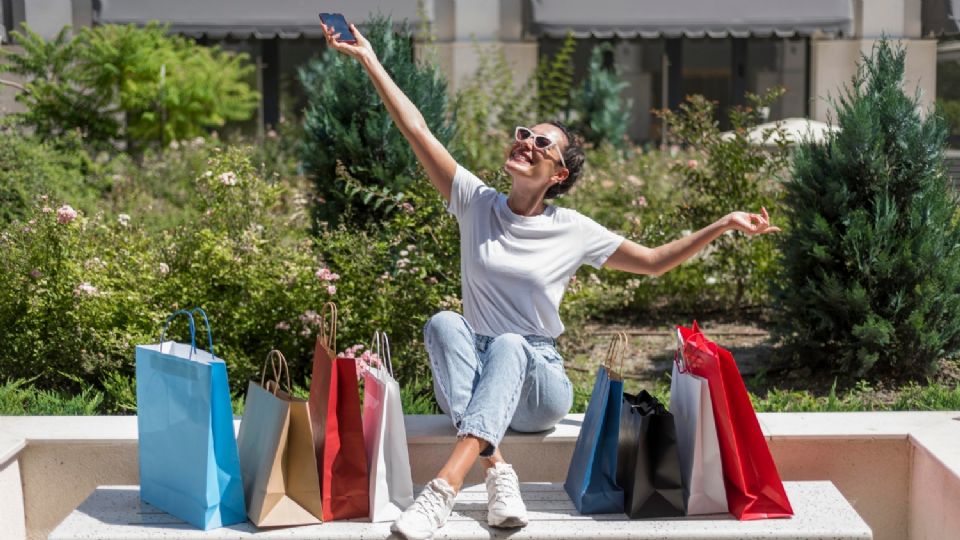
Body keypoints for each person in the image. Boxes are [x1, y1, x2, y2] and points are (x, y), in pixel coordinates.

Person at [320, 21, 780, 540]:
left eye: (542, 143)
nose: (527, 143)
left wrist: (723, 224)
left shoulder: (571, 229)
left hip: (539, 378)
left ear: (558, 174)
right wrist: (370, 59)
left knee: (512, 341)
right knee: (445, 322)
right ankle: (497, 472)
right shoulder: (475, 203)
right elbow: (418, 131)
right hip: (479, 373)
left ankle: (442, 490)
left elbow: (652, 261)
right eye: (523, 135)